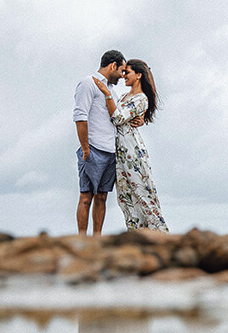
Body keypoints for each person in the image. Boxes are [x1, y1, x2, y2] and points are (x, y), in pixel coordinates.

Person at [92, 59, 169, 232]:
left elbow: (118, 118)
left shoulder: (141, 99)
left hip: (131, 152)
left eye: (127, 72)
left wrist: (106, 92)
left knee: (143, 194)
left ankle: (162, 235)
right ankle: (137, 236)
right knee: (126, 198)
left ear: (139, 75)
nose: (123, 75)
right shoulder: (125, 97)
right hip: (119, 153)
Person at [72, 50, 142, 235]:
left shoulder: (111, 90)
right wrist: (86, 148)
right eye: (121, 71)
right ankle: (81, 239)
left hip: (111, 150)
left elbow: (118, 116)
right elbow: (80, 117)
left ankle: (97, 239)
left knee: (102, 197)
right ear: (113, 66)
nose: (122, 76)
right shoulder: (88, 83)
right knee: (86, 197)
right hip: (93, 148)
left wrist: (140, 120)